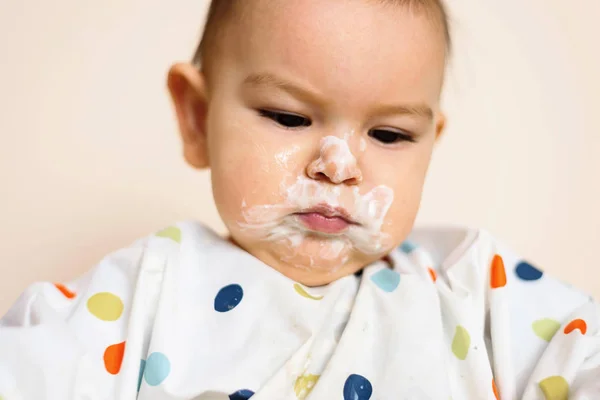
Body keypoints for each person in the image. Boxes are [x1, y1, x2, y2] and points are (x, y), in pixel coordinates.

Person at [1, 1, 598, 399]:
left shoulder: (472, 287)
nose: (338, 166)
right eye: (288, 117)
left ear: (429, 146)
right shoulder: (147, 291)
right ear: (197, 117)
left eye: (389, 135)